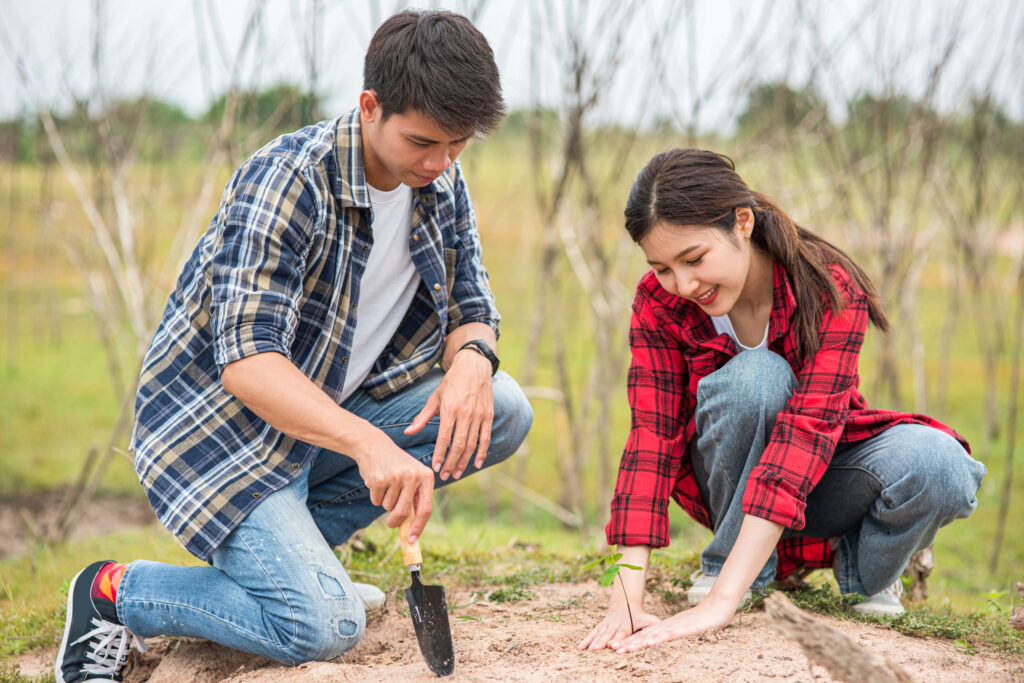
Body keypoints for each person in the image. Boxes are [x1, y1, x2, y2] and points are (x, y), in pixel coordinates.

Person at [56, 10, 533, 682]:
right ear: (370, 107)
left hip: (321, 428)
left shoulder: (440, 179)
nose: (441, 162)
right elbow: (248, 364)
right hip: (223, 440)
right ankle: (114, 592)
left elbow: (473, 307)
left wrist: (474, 359)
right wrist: (369, 443)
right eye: (424, 142)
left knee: (504, 407)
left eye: (458, 144)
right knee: (323, 624)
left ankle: (300, 560)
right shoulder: (286, 179)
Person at [580, 148, 985, 654]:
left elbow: (807, 433)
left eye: (694, 259)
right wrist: (625, 595)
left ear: (742, 223)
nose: (683, 285)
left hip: (820, 470)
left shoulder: (829, 287)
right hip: (731, 487)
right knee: (755, 379)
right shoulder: (659, 303)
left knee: (942, 463)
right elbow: (652, 438)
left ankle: (863, 566)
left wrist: (718, 604)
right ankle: (737, 571)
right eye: (661, 267)